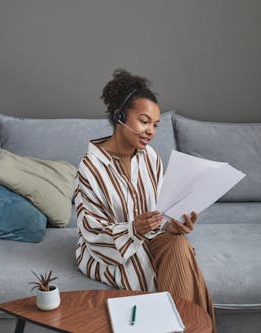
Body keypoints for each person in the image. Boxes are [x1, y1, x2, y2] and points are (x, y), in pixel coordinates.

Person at [74, 69, 216, 331]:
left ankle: (180, 327)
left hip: (148, 239)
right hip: (107, 249)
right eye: (143, 121)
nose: (151, 131)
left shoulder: (150, 157)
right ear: (120, 116)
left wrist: (170, 226)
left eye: (155, 125)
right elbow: (90, 230)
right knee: (155, 259)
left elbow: (159, 212)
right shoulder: (90, 167)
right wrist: (132, 229)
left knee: (179, 244)